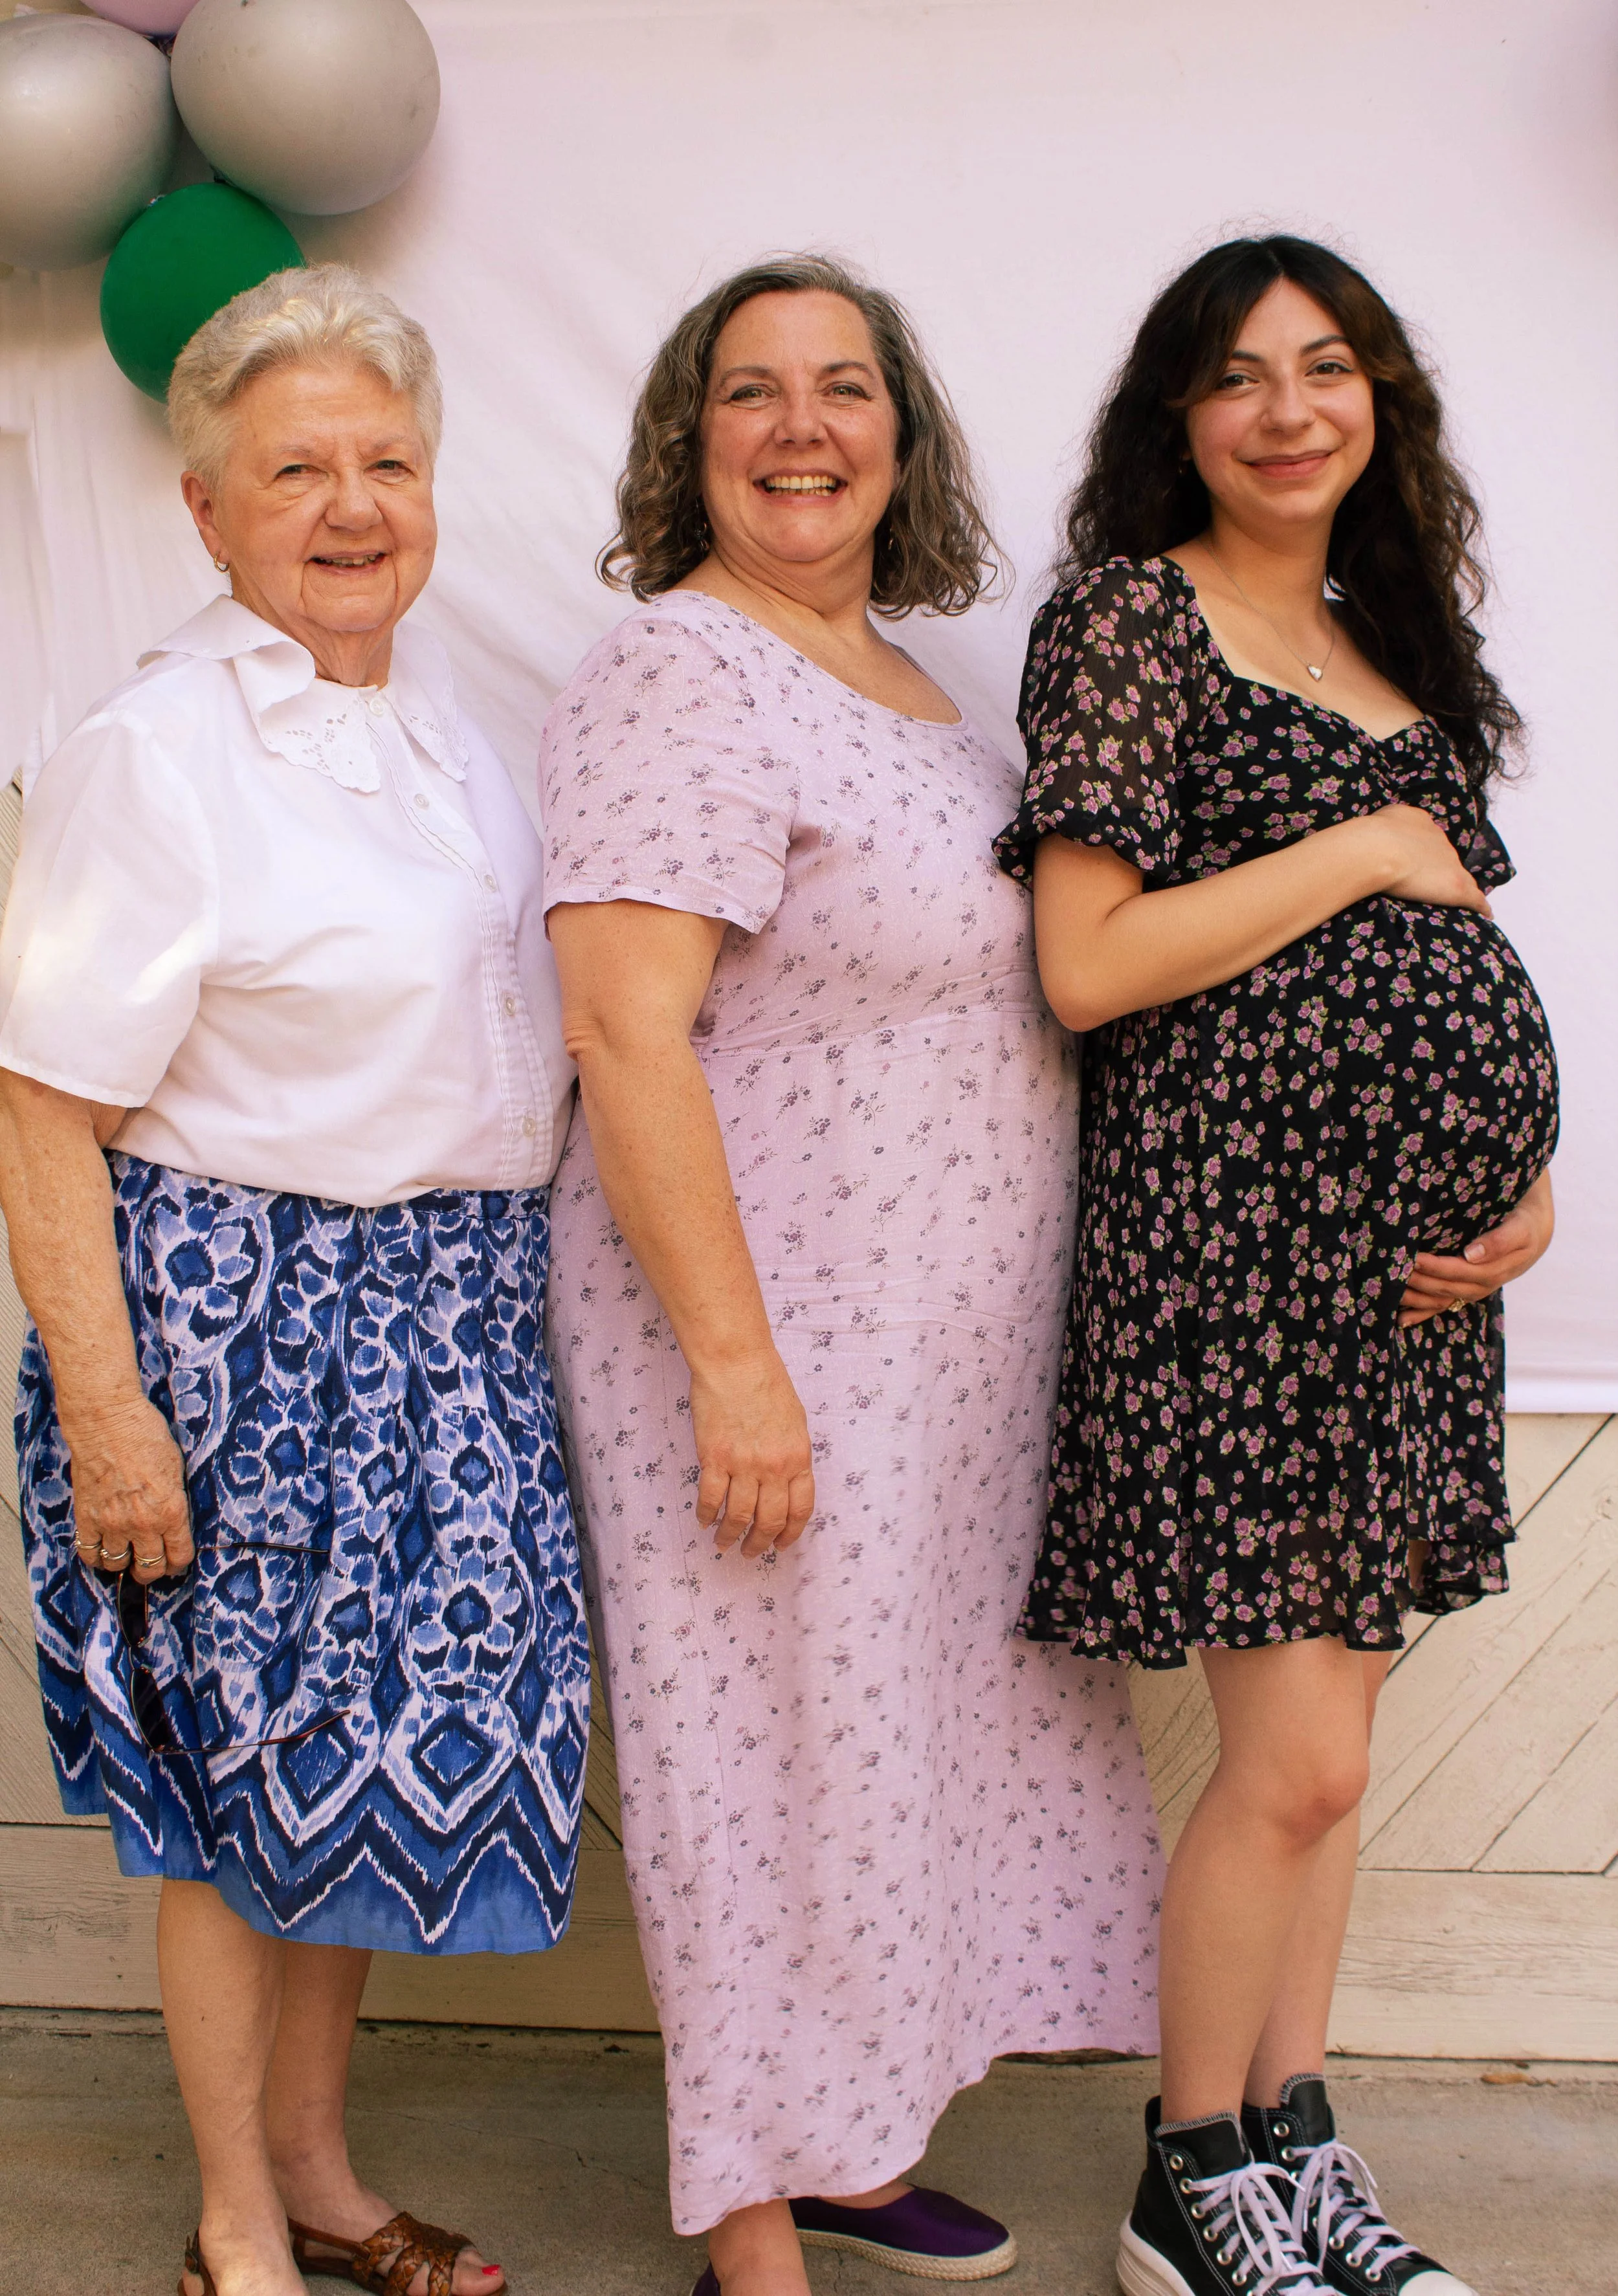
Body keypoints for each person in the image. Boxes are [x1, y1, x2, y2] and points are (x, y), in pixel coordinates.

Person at [540, 254, 1164, 2296]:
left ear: (903, 435)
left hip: (943, 1363)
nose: (799, 426)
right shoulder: (677, 672)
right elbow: (626, 1034)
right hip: (762, 1328)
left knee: (886, 1753)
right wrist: (733, 1366)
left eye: (840, 388)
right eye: (749, 391)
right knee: (760, 1766)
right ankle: (750, 2229)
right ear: (686, 437)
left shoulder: (909, 680)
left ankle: (852, 2136)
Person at [0, 265, 586, 2296]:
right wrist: (105, 1402)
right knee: (233, 1792)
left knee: (350, 1776)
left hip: (449, 1322)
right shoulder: (155, 751)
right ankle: (232, 2220)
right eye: (295, 469)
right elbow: (41, 1103)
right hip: (237, 1325)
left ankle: (325, 2177)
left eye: (387, 462)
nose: (351, 505)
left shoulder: (449, 739)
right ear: (204, 510)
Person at [994, 234, 1557, 2296]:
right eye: (1238, 378)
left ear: (1379, 401)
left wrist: (1529, 1174)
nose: (1288, 408)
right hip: (1231, 1279)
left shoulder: (1383, 639)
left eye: (1329, 369)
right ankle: (1184, 2174)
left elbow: (1457, 956)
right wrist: (1361, 845)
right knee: (1288, 1761)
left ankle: (1295, 2143)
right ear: (1177, 421)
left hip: (1405, 1299)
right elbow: (1087, 963)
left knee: (1338, 1770)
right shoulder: (1132, 625)